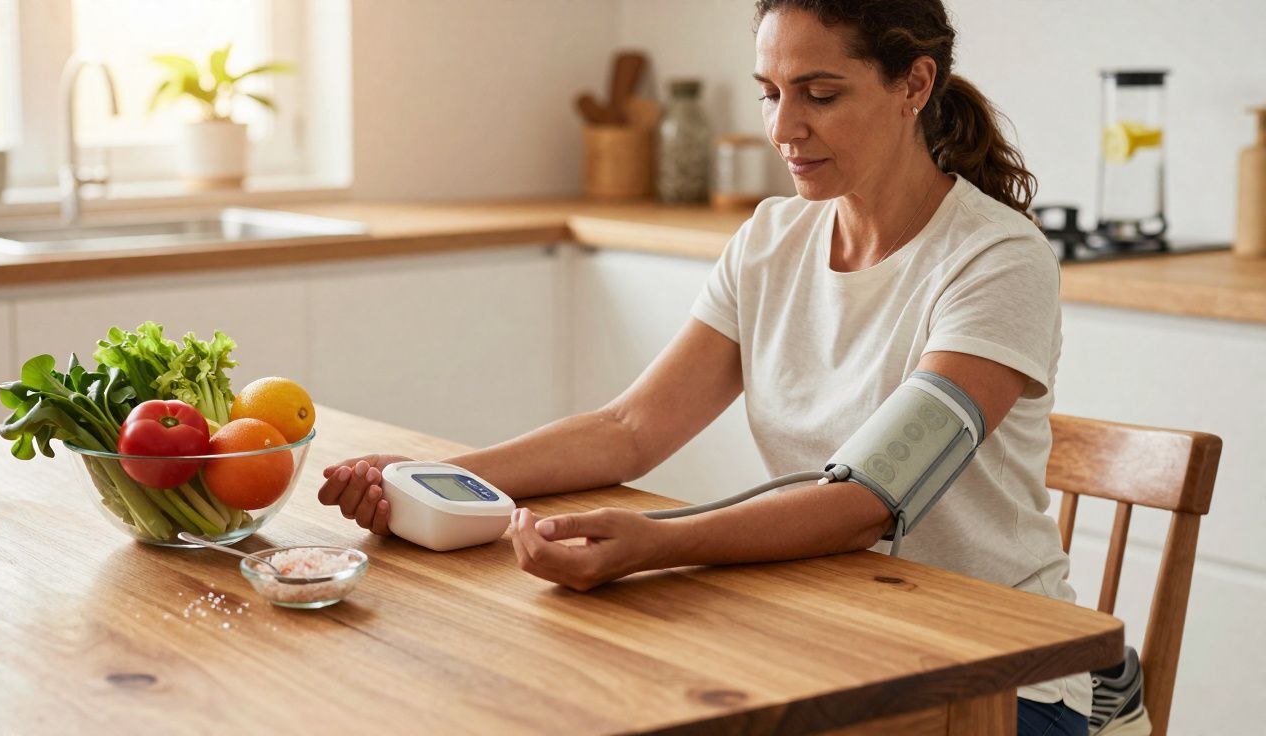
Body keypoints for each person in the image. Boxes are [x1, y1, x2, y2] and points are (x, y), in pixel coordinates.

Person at [316, 1, 1101, 733]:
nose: (783, 127)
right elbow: (629, 429)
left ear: (914, 85)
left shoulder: (996, 259)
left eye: (820, 94)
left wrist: (657, 541)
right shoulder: (771, 240)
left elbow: (869, 498)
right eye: (768, 93)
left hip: (1003, 680)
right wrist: (437, 477)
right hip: (833, 637)